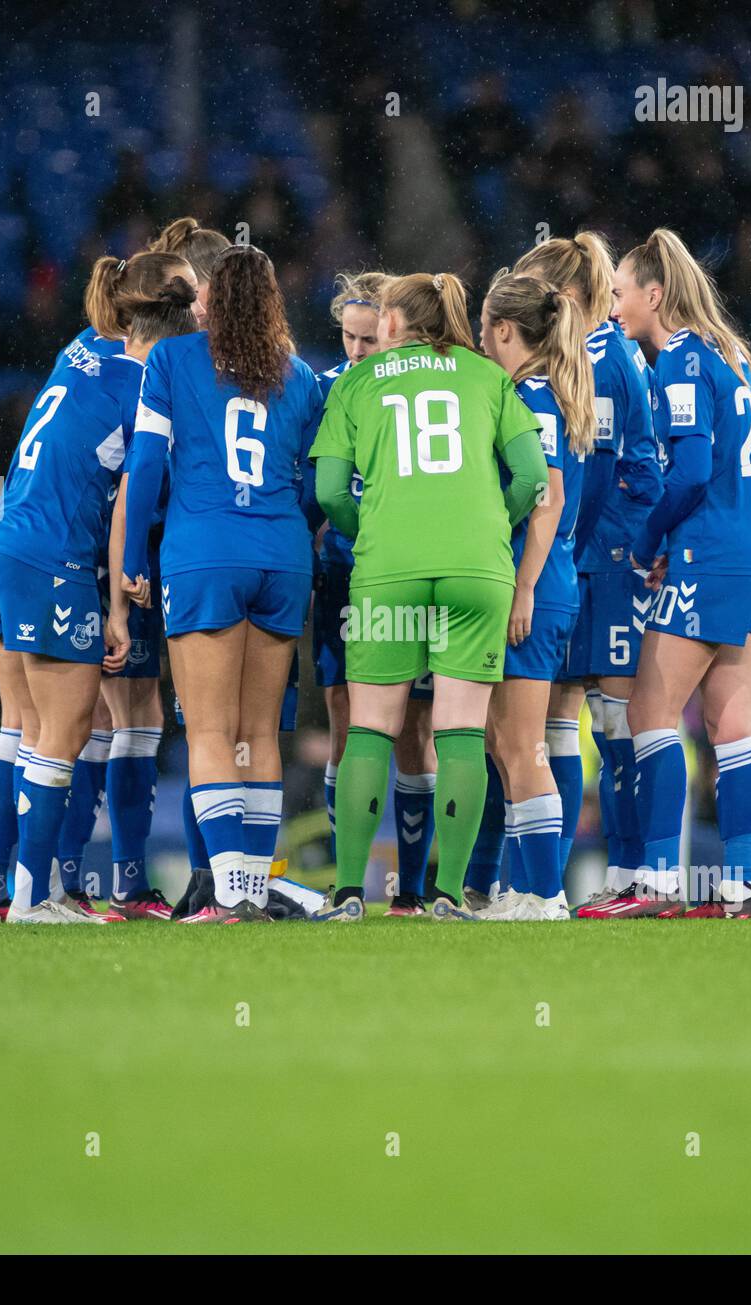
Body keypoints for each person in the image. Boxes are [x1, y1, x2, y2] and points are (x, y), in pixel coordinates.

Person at [309, 272, 547, 921]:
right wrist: (494, 525)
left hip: (390, 568)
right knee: (461, 732)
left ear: (393, 322)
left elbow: (330, 492)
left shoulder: (358, 382)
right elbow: (531, 476)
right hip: (478, 568)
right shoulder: (488, 378)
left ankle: (350, 892)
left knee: (371, 729)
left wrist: (373, 531)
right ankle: (449, 896)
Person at [0, 247, 191, 923]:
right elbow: (130, 501)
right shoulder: (144, 387)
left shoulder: (82, 346)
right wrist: (120, 607)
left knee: (22, 731)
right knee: (61, 739)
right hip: (51, 560)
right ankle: (37, 901)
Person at [119, 246, 322, 924]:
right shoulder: (300, 376)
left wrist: (132, 558)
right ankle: (255, 890)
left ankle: (232, 892)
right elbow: (319, 485)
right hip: (283, 553)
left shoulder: (173, 362)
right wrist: (293, 522)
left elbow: (146, 466)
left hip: (205, 551)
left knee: (208, 731)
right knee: (259, 732)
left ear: (212, 302)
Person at [605, 228, 751, 919]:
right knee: (731, 720)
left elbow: (691, 473)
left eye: (621, 293)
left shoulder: (679, 358)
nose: (615, 307)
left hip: (709, 556)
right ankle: (737, 888)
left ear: (654, 294)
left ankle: (657, 882)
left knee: (652, 711)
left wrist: (650, 541)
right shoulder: (730, 352)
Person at [510, 232, 663, 913]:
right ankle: (560, 881)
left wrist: (579, 543)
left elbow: (614, 474)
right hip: (588, 557)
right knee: (565, 719)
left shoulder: (599, 359)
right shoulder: (608, 354)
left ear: (565, 300)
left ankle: (632, 874)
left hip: (603, 560)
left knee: (613, 719)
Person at [313, 271, 440, 916]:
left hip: (404, 572)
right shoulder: (330, 391)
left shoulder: (422, 388)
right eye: (348, 338)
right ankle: (349, 885)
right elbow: (315, 489)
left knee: (417, 730)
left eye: (369, 338)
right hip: (343, 576)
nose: (358, 351)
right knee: (349, 726)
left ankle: (412, 891)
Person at [470, 272, 595, 920]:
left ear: (504, 330)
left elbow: (548, 499)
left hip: (534, 588)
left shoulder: (533, 399)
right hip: (539, 585)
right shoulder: (535, 392)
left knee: (523, 748)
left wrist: (521, 589)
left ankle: (545, 894)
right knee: (506, 745)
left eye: (484, 326)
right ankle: (527, 889)